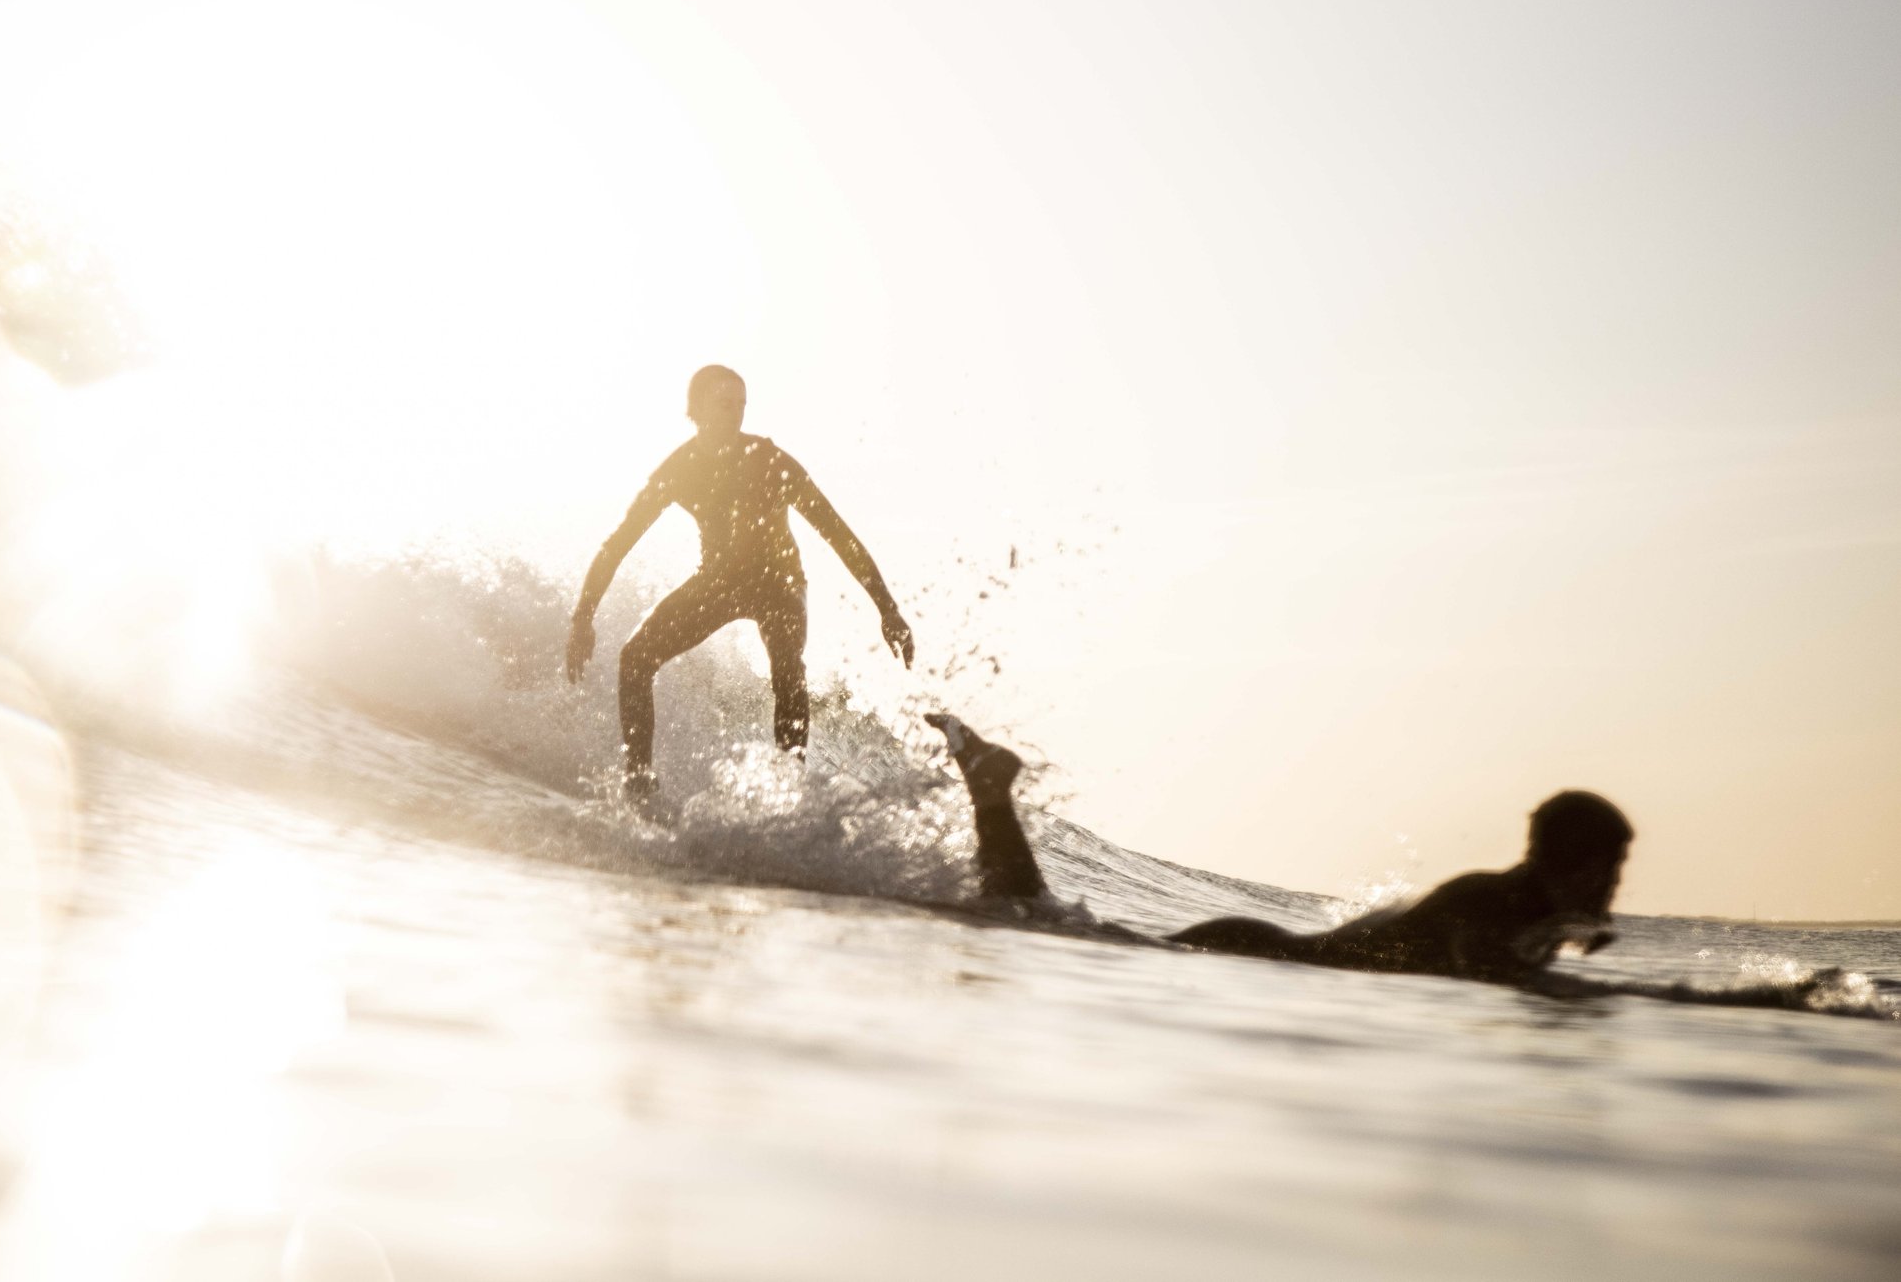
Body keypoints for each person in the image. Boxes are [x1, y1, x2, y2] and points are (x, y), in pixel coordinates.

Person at [924, 712, 1634, 987]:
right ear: (1576, 862)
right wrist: (1655, 993)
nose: (1617, 884)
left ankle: (992, 794)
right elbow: (1490, 970)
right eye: (1612, 867)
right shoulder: (1490, 900)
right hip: (1250, 952)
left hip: (1258, 950)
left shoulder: (1524, 906)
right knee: (1037, 918)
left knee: (1043, 916)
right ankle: (992, 794)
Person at [567, 365, 913, 807]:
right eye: (724, 404)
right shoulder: (679, 469)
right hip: (718, 582)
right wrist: (583, 617)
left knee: (787, 668)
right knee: (635, 658)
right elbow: (617, 543)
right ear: (695, 409)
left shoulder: (771, 461)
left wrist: (888, 609)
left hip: (779, 584)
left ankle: (790, 792)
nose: (735, 414)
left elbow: (838, 534)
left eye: (741, 405)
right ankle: (639, 781)